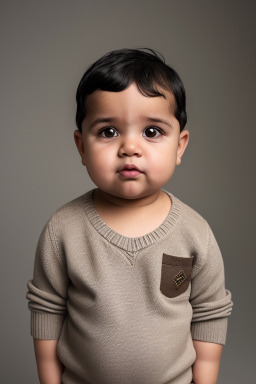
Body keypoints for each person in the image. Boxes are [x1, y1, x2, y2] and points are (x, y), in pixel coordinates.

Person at [26, 48, 233, 384]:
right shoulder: (63, 230)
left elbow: (210, 314)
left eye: (151, 131)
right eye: (108, 131)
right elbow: (47, 313)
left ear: (180, 146)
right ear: (81, 146)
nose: (130, 147)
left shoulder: (195, 232)